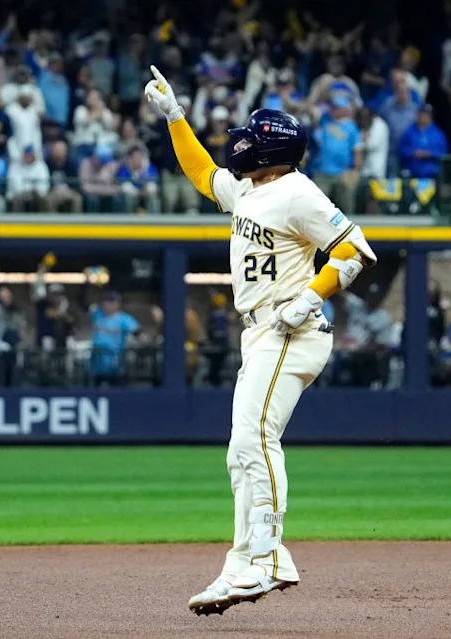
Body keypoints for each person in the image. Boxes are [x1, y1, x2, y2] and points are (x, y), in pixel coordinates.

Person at [145, 65, 376, 612]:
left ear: (270, 148)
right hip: (262, 336)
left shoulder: (298, 192)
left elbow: (355, 249)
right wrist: (176, 117)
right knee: (239, 452)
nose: (238, 143)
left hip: (290, 331)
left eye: (248, 137)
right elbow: (204, 175)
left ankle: (269, 560)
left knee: (255, 441)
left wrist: (311, 295)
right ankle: (240, 565)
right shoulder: (251, 188)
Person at [89, 290, 141, 385]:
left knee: (115, 388)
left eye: (113, 302)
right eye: (108, 301)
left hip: (114, 360)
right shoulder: (97, 314)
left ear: (118, 304)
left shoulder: (124, 319)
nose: (110, 304)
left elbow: (137, 331)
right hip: (96, 361)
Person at [398, 104, 448, 179]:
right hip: (412, 173)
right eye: (421, 114)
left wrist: (430, 154)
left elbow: (443, 152)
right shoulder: (409, 132)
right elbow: (402, 150)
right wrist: (414, 153)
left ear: (430, 116)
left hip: (432, 173)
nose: (423, 117)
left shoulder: (438, 133)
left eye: (426, 114)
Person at [6, 145, 50, 212]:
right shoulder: (14, 166)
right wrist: (26, 191)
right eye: (26, 154)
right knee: (18, 199)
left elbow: (44, 186)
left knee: (43, 199)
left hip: (36, 194)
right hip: (19, 194)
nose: (28, 156)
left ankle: (45, 221)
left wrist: (34, 191)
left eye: (30, 154)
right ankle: (16, 221)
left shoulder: (41, 166)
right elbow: (13, 185)